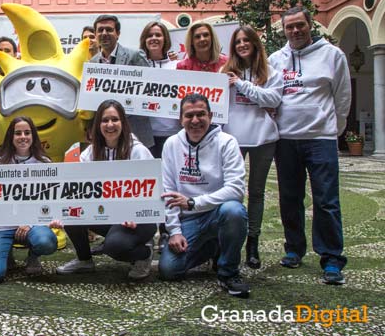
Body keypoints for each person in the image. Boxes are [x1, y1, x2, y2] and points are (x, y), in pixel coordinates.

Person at [268, 6, 351, 285]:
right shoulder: (275, 59)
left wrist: (333, 130)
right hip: (286, 140)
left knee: (326, 200)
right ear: (284, 29)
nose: (295, 31)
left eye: (299, 25)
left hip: (320, 139)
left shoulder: (332, 55)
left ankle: (331, 258)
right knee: (290, 198)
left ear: (309, 25)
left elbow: (342, 97)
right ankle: (294, 249)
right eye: (289, 27)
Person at [54, 99, 157, 280]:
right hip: (108, 214)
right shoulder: (91, 152)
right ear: (98, 125)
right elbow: (76, 187)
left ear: (123, 123)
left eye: (115, 120)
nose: (110, 125)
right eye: (104, 120)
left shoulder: (138, 151)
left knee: (115, 247)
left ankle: (144, 253)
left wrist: (135, 214)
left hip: (139, 218)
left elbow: (154, 191)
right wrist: (59, 213)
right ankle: (84, 260)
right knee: (70, 210)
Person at [159, 94, 249, 298]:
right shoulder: (172, 144)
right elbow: (168, 190)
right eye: (189, 115)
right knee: (169, 270)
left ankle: (229, 272)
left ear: (210, 115)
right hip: (188, 220)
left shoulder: (227, 142)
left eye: (201, 114)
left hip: (218, 214)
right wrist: (174, 231)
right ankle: (214, 246)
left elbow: (236, 189)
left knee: (234, 211)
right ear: (180, 119)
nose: (195, 121)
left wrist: (193, 202)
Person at [220, 26, 283, 269]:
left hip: (263, 139)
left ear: (255, 43)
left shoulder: (271, 72)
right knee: (233, 191)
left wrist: (242, 86)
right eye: (238, 41)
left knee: (256, 192)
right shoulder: (224, 72)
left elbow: (274, 99)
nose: (242, 45)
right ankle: (230, 241)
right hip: (233, 138)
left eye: (247, 40)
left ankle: (253, 243)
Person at [0, 117, 58, 284]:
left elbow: (49, 200)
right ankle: (6, 252)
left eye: (27, 132)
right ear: (11, 137)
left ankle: (33, 255)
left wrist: (29, 222)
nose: (23, 136)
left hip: (32, 225)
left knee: (47, 241)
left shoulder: (45, 163)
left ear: (33, 136)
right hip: (2, 226)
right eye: (18, 133)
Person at [89, 14, 154, 150]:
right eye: (100, 30)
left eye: (109, 29)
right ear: (95, 34)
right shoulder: (92, 63)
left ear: (117, 33)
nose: (104, 33)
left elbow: (151, 87)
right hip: (108, 135)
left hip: (135, 131)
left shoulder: (135, 56)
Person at [139, 21, 181, 157]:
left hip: (172, 132)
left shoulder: (177, 65)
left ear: (165, 39)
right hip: (145, 135)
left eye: (158, 35)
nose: (154, 38)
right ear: (144, 40)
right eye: (149, 35)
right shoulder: (137, 66)